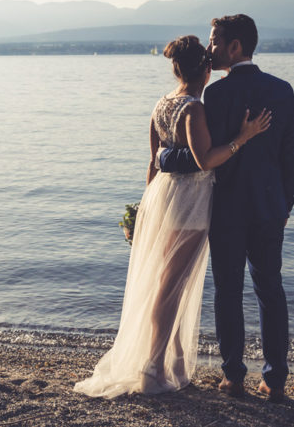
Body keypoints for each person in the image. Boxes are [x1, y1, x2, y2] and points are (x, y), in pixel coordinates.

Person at [74, 35, 271, 398]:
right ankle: (152, 366)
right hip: (189, 205)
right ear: (207, 70)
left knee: (168, 284)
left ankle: (173, 364)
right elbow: (205, 160)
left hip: (161, 199)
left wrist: (142, 213)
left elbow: (153, 164)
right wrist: (243, 137)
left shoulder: (161, 103)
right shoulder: (193, 108)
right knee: (171, 287)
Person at [159, 14, 293, 402]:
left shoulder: (214, 97)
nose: (210, 48)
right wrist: (286, 204)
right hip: (271, 209)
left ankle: (233, 377)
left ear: (235, 47)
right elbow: (291, 157)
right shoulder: (284, 91)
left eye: (215, 41)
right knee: (271, 290)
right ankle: (275, 381)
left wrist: (164, 157)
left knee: (228, 292)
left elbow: (200, 157)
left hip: (227, 210)